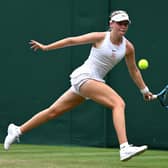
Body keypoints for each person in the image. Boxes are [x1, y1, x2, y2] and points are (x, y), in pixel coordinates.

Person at [4, 10, 154, 161]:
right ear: (111, 24)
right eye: (120, 22)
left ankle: (17, 130)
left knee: (53, 111)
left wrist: (144, 90)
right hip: (85, 76)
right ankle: (124, 148)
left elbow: (134, 70)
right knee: (118, 103)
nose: (123, 26)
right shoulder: (100, 37)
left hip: (89, 82)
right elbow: (71, 41)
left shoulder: (128, 47)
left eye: (126, 23)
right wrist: (46, 47)